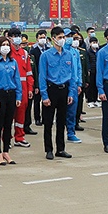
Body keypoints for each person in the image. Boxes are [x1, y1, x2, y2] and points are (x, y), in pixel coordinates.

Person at [38, 26, 78, 159]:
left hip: (64, 90)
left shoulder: (68, 55)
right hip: (51, 89)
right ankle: (48, 149)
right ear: (53, 39)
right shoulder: (46, 56)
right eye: (60, 37)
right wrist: (44, 95)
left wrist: (71, 93)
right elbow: (42, 76)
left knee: (62, 121)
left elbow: (72, 75)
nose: (62, 40)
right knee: (48, 122)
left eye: (63, 37)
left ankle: (60, 149)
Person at [0, 35, 23, 165]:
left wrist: (19, 96)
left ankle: (6, 151)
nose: (6, 47)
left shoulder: (13, 62)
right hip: (0, 94)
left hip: (11, 94)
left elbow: (17, 79)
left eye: (8, 45)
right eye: (3, 45)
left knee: (9, 125)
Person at [8, 29, 34, 148]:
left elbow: (29, 73)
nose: (17, 38)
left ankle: (19, 137)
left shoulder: (24, 53)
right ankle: (7, 138)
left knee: (21, 113)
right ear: (9, 38)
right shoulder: (7, 53)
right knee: (8, 114)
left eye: (18, 35)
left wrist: (30, 88)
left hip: (23, 87)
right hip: (10, 87)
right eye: (14, 36)